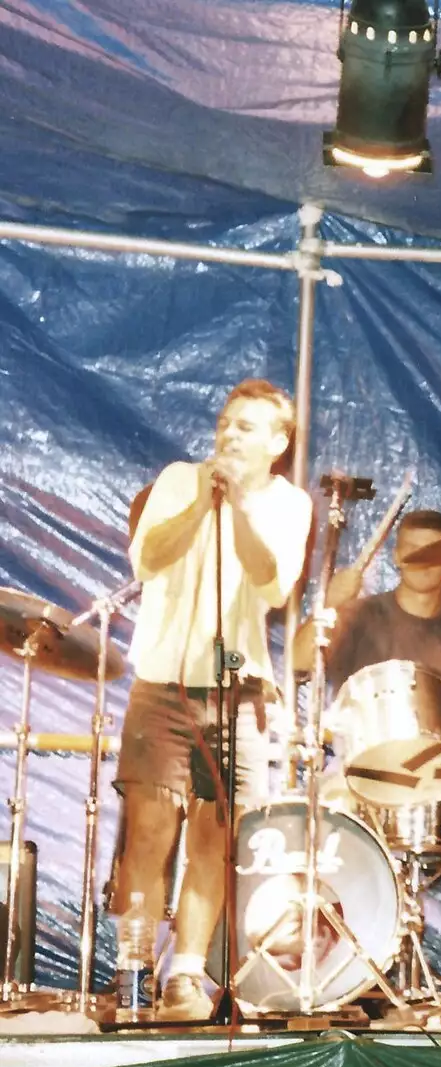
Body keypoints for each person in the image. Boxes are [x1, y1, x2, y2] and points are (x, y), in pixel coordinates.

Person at [115, 379, 313, 1021]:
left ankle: (185, 974)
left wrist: (241, 505)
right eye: (227, 422)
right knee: (148, 835)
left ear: (278, 444)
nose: (229, 434)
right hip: (165, 682)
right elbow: (147, 560)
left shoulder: (290, 504)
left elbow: (273, 584)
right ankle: (132, 971)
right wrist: (205, 500)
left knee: (215, 838)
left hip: (239, 688)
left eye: (248, 427)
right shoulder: (180, 479)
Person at [290, 507, 441, 991]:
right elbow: (298, 661)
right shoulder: (362, 614)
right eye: (408, 552)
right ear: (396, 557)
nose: (417, 561)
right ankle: (337, 966)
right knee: (326, 815)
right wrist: (329, 606)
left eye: (431, 554)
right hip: (361, 768)